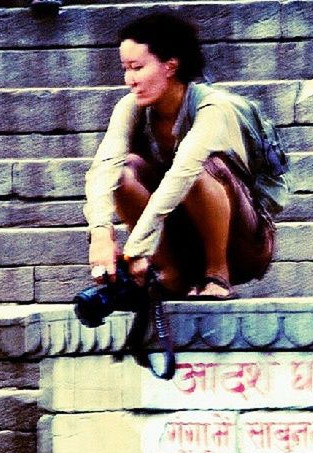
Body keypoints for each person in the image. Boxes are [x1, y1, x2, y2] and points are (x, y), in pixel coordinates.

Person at [84, 12, 275, 300]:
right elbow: (104, 167)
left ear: (170, 66)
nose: (129, 80)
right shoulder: (132, 107)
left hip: (245, 244)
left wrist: (136, 247)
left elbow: (183, 172)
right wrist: (100, 231)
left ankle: (217, 276)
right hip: (179, 238)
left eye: (137, 67)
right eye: (125, 68)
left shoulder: (213, 107)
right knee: (123, 172)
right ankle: (170, 274)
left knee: (200, 170)